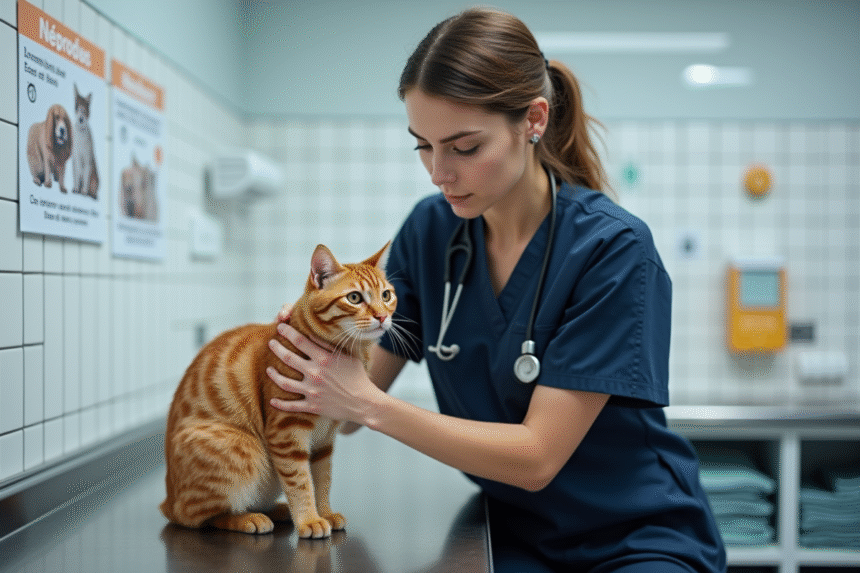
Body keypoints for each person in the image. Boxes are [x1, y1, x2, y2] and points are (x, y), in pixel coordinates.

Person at [267, 6, 727, 572]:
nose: (439, 173)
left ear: (533, 120)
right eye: (422, 145)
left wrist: (364, 402)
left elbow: (535, 459)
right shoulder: (429, 233)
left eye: (463, 148)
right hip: (511, 532)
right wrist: (317, 340)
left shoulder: (612, 249)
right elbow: (348, 413)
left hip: (634, 538)